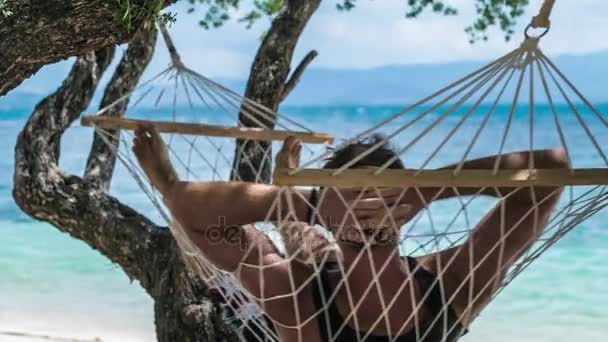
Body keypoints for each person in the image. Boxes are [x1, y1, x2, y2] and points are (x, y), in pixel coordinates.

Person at [132, 124, 568, 342]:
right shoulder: (296, 295)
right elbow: (190, 214)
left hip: (327, 257)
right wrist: (304, 204)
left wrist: (429, 188)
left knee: (312, 249)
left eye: (383, 194)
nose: (367, 207)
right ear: (329, 207)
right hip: (322, 262)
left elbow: (553, 167)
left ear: (404, 207)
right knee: (308, 247)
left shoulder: (451, 281)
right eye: (353, 195)